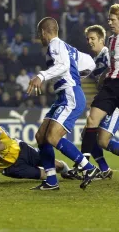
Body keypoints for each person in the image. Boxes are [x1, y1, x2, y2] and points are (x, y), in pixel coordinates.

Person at [27, 17, 99, 191]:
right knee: (41, 137)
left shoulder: (55, 45)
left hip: (70, 95)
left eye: (40, 34)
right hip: (63, 96)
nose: (40, 38)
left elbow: (64, 65)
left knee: (52, 137)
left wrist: (42, 76)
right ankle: (51, 180)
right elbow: (90, 63)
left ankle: (89, 168)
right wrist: (76, 76)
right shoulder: (68, 48)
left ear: (44, 32)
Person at [0, 121, 74, 186]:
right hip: (11, 168)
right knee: (46, 176)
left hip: (22, 150)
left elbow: (6, 142)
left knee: (56, 166)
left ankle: (68, 171)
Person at [82, 5, 119, 169]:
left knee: (102, 140)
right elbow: (112, 67)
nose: (109, 22)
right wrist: (104, 76)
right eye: (109, 19)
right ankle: (96, 168)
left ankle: (100, 167)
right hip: (110, 89)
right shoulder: (112, 41)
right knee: (90, 129)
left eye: (113, 19)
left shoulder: (103, 52)